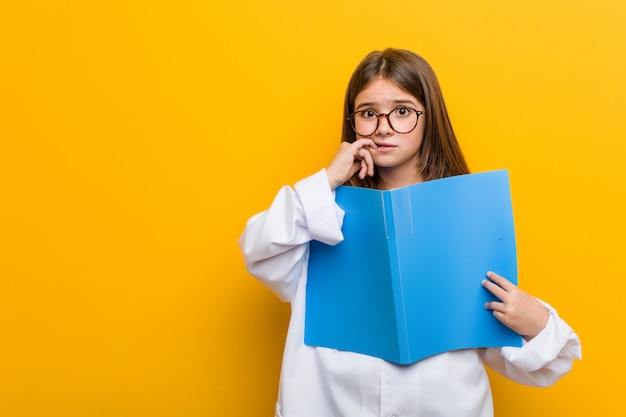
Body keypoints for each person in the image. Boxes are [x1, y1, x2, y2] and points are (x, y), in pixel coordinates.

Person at [238, 48, 582, 417]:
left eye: (402, 111)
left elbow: (528, 356)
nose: (384, 126)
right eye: (368, 113)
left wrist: (537, 324)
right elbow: (258, 250)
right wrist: (325, 181)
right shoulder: (321, 211)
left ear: (428, 118)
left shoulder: (470, 214)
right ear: (352, 121)